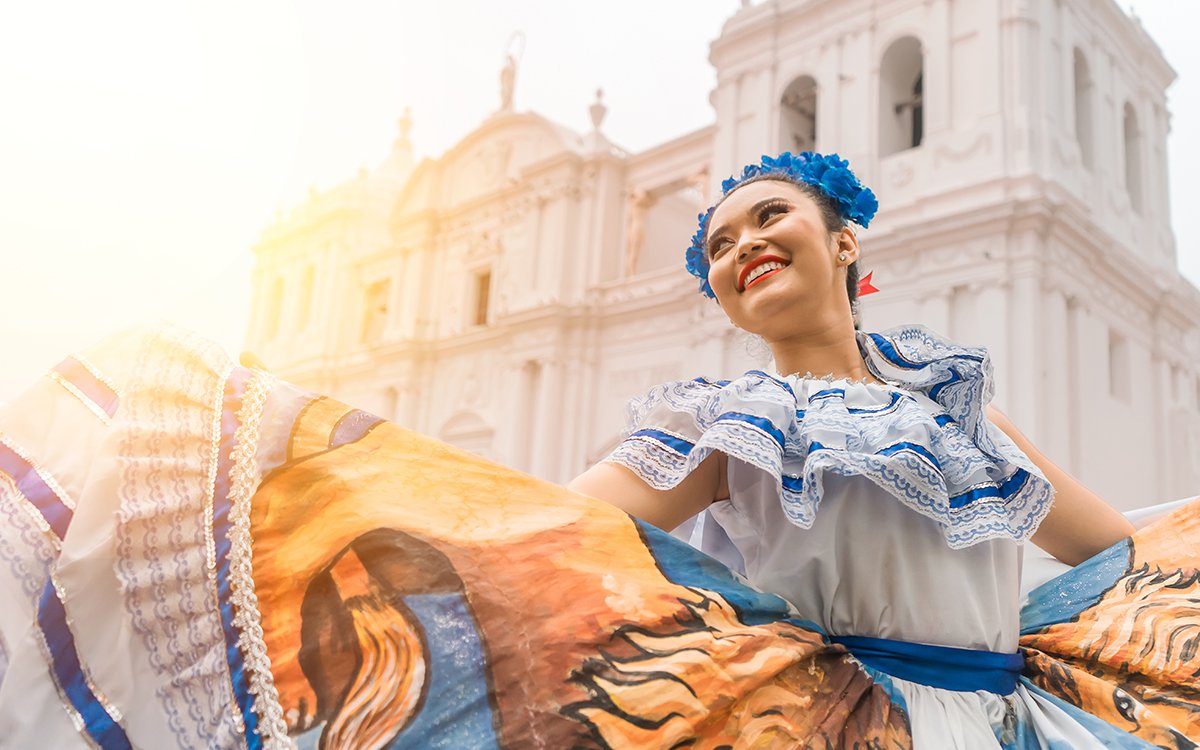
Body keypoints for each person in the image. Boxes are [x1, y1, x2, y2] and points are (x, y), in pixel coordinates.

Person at [0, 154, 1197, 749]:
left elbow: (1114, 554)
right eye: (721, 244)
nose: (744, 247)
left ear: (845, 243)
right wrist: (300, 457)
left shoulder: (959, 409)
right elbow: (539, 528)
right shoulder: (724, 426)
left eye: (771, 217)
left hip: (1015, 729)